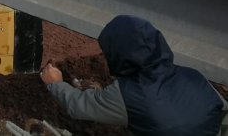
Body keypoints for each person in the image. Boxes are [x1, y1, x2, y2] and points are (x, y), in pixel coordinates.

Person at [41, 15, 228, 135]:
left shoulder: (126, 94)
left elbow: (78, 106)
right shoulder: (194, 76)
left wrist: (55, 83)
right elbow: (221, 110)